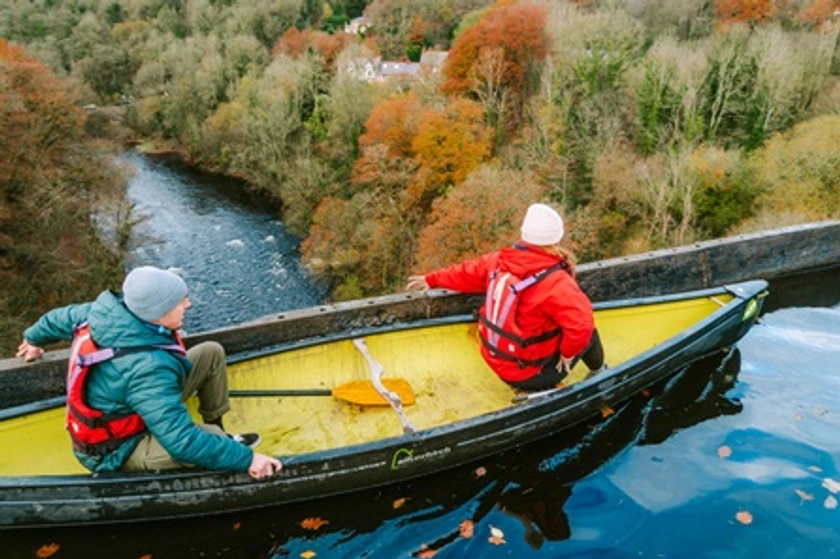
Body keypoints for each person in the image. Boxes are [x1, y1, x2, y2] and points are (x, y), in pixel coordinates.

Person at [16, 266, 282, 480]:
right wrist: (247, 459)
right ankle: (222, 440)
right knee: (208, 438)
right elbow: (182, 442)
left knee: (211, 353)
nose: (188, 304)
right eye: (181, 301)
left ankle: (223, 430)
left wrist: (32, 339)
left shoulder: (105, 313)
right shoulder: (148, 369)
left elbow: (55, 319)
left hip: (134, 406)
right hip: (117, 449)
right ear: (159, 313)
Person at [406, 203, 605, 392]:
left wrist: (431, 280)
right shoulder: (557, 283)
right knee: (589, 331)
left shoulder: (500, 261)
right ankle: (599, 372)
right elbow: (581, 327)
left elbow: (465, 273)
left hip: (495, 361)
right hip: (530, 375)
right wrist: (567, 355)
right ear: (556, 238)